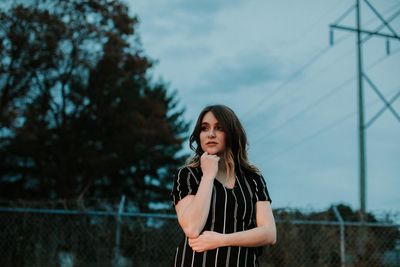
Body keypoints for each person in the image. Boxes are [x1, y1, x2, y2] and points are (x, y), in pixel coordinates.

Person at [171, 104, 276, 267]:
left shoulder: (253, 179)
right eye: (204, 128)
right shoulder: (187, 175)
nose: (210, 134)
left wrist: (222, 240)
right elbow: (192, 228)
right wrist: (208, 176)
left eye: (219, 128)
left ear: (231, 133)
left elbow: (269, 233)